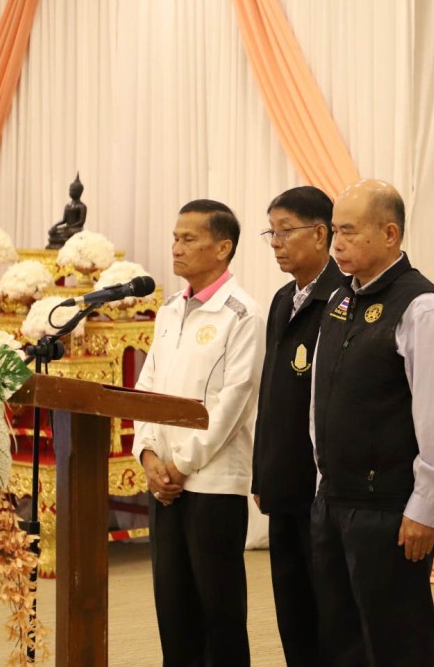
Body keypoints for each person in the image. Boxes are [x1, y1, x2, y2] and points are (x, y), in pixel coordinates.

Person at [310, 179, 434, 666]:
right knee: (342, 640)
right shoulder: (339, 299)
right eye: (334, 231)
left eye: (349, 231)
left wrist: (425, 508)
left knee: (396, 642)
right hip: (334, 498)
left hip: (389, 510)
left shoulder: (423, 308)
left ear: (390, 233)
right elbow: (322, 397)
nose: (336, 244)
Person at [132, 199, 265, 667]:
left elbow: (234, 402)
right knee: (174, 608)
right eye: (175, 238)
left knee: (219, 610)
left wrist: (180, 464)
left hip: (212, 482)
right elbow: (146, 387)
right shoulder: (170, 308)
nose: (176, 248)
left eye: (189, 239)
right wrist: (148, 455)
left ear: (223, 247)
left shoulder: (243, 314)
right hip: (164, 482)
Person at [252, 186, 345, 666]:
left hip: (323, 485)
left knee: (329, 608)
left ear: (321, 233)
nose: (276, 242)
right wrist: (261, 472)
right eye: (271, 232)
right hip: (283, 479)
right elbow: (271, 393)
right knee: (292, 606)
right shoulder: (282, 299)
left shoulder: (343, 297)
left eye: (286, 231)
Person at [47, 173, 87, 248]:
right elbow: (64, 220)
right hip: (68, 228)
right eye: (70, 190)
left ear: (79, 192)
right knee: (53, 232)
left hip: (76, 229)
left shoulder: (82, 206)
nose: (71, 192)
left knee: (69, 234)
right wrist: (56, 225)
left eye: (73, 190)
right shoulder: (67, 205)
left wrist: (69, 226)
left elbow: (81, 222)